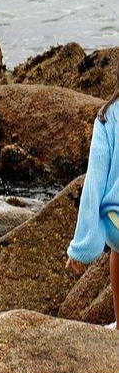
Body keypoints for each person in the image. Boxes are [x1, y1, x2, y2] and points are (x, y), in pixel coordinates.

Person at [65, 67, 119, 330]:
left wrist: (81, 247)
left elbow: (94, 183)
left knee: (117, 251)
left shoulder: (108, 116)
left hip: (116, 222)